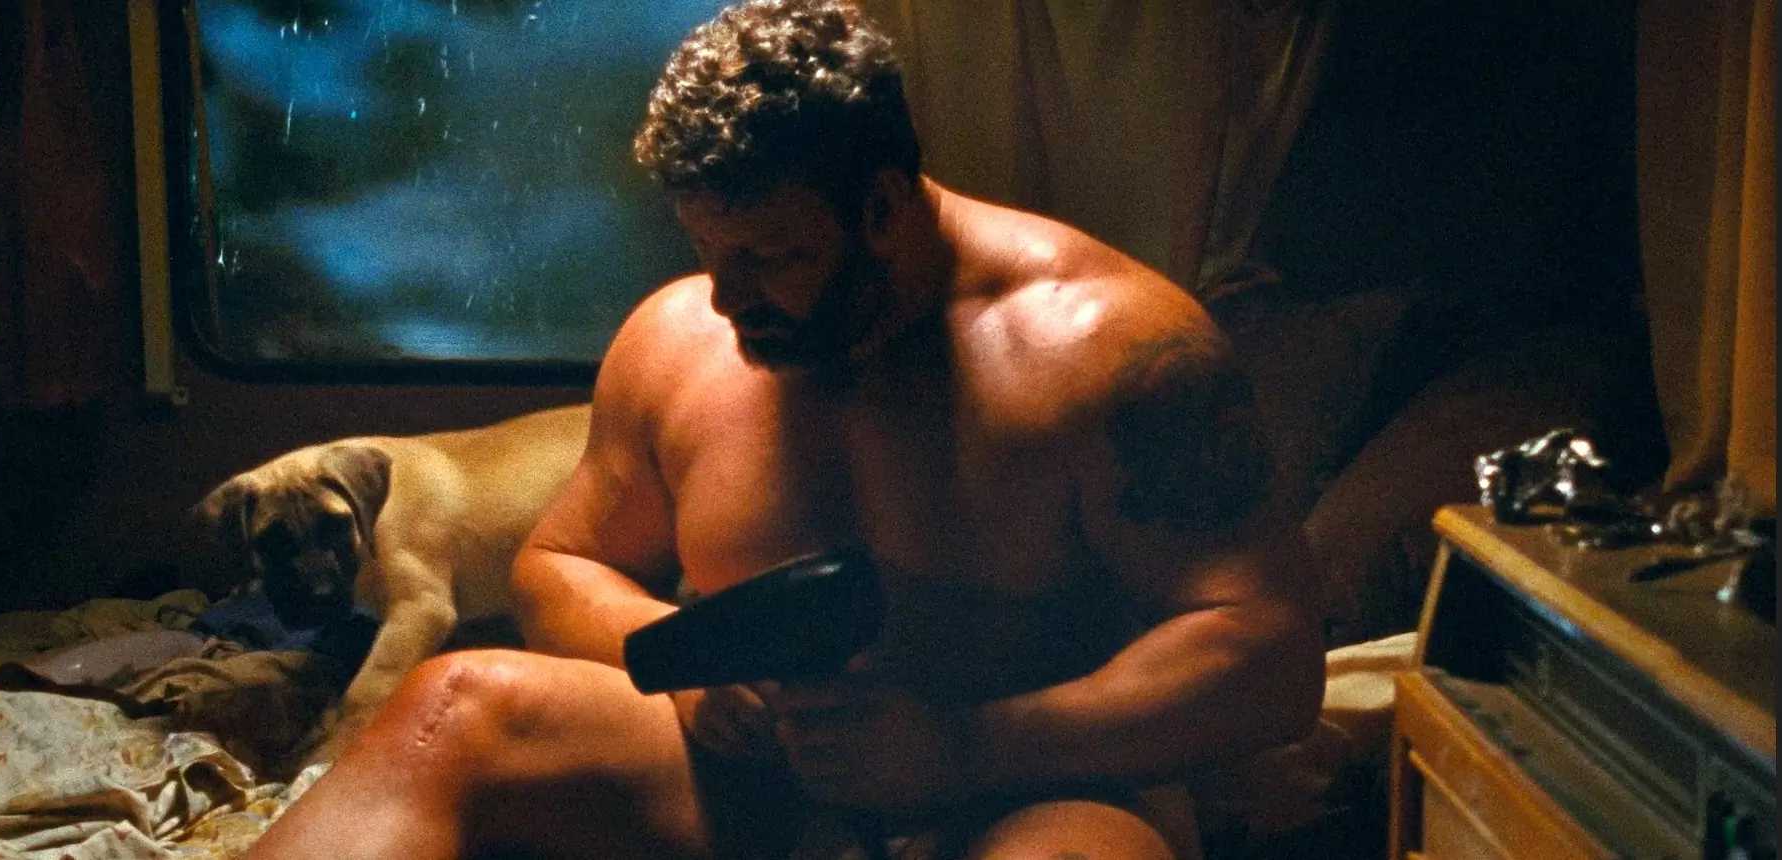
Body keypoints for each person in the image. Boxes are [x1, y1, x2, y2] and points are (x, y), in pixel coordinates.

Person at [245, 2, 1322, 858]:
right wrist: (690, 672)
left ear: (884, 207)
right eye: (707, 250)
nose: (727, 297)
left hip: (1025, 782)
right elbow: (559, 565)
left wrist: (965, 745)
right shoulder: (680, 341)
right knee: (457, 701)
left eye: (770, 256)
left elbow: (1268, 653)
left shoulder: (1110, 350)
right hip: (747, 777)